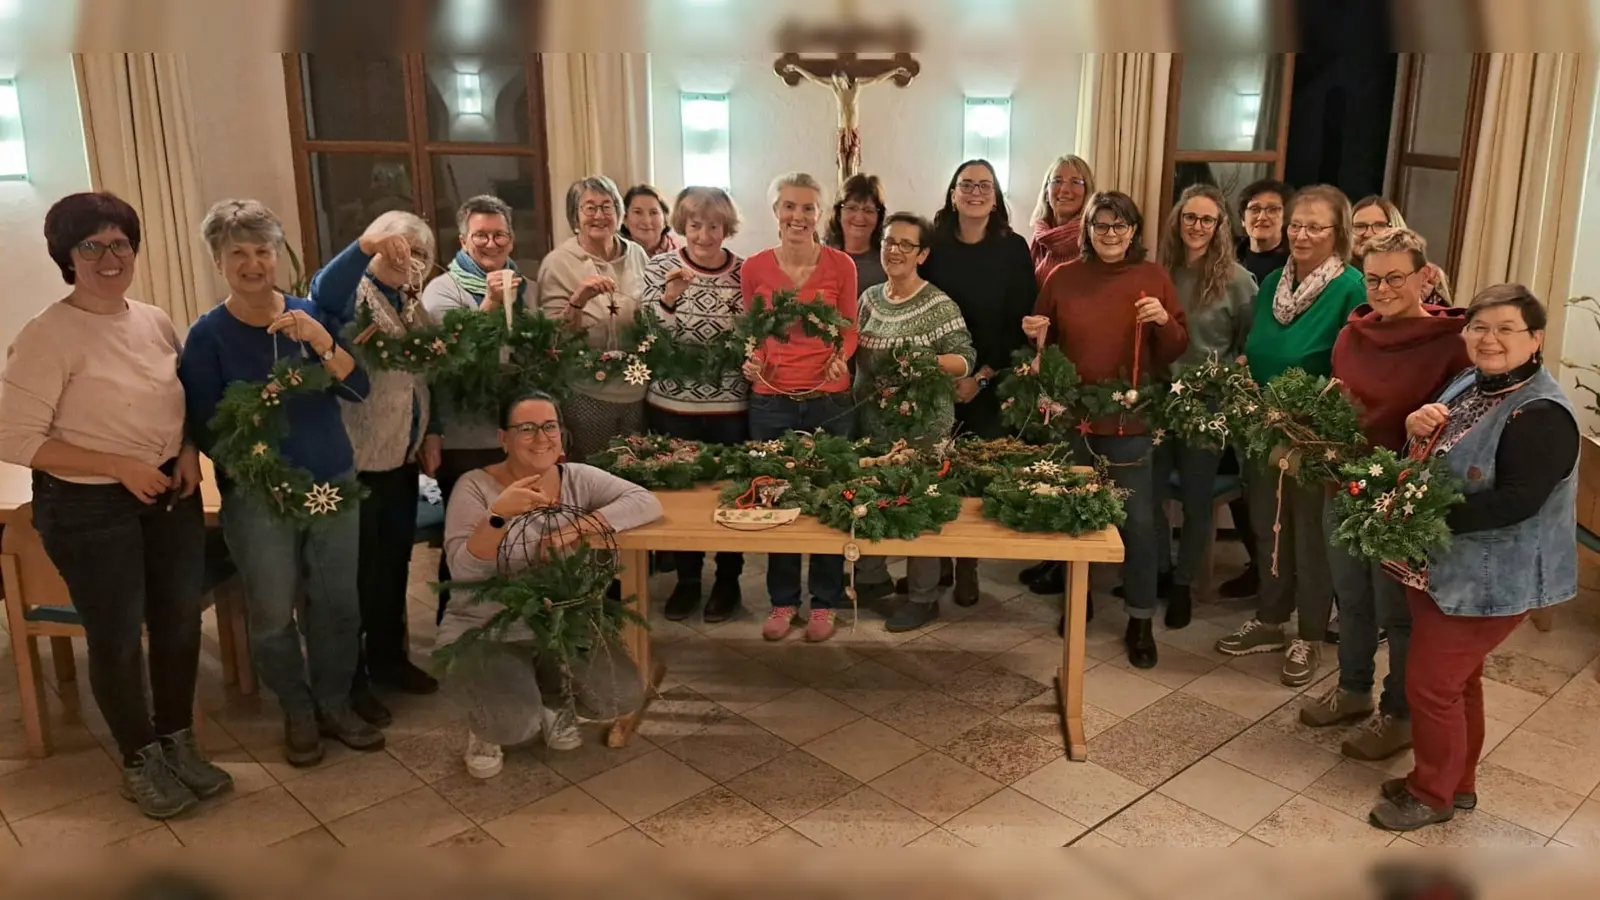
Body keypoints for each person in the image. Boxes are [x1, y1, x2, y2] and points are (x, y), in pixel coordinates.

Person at [0, 192, 229, 819]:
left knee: (181, 622)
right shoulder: (48, 335)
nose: (109, 256)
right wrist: (117, 466)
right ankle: (139, 759)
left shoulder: (153, 320)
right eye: (91, 246)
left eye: (120, 243)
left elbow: (180, 397)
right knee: (118, 637)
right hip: (88, 510)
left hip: (165, 492)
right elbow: (15, 439)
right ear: (66, 257)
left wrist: (185, 450)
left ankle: (177, 740)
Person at [180, 199, 382, 767]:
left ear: (278, 255)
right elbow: (204, 424)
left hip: (332, 482)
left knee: (338, 603)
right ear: (219, 261)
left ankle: (335, 704)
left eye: (262, 250)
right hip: (258, 495)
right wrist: (256, 471)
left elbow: (358, 389)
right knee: (271, 612)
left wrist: (321, 337)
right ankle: (296, 709)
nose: (252, 263)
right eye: (238, 253)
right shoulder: (207, 337)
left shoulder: (309, 312)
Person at [1369, 284, 1577, 832]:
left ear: (1535, 339)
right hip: (1445, 567)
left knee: (1432, 685)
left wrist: (1416, 513)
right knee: (1459, 682)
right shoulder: (1472, 380)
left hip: (1488, 579)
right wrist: (1415, 426)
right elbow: (1440, 445)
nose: (1490, 339)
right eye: (1480, 327)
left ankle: (1431, 792)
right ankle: (1457, 783)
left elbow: (1516, 502)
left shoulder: (1541, 413)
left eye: (1506, 329)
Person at [1298, 227, 1469, 762]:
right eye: (1373, 278)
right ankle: (1352, 690)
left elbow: (1463, 425)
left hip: (1401, 499)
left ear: (1424, 275)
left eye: (1396, 277)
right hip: (1344, 485)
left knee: (1398, 612)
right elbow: (1341, 399)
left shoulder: (1452, 343)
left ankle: (1399, 714)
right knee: (1350, 599)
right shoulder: (1354, 335)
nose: (1384, 288)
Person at [437, 391, 663, 778]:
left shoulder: (577, 479)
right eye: (526, 428)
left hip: (558, 621)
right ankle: (486, 727)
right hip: (489, 625)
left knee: (620, 694)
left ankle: (551, 693)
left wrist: (574, 529)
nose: (541, 437)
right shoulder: (474, 487)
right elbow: (463, 572)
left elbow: (645, 501)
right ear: (502, 438)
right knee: (513, 724)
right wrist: (497, 516)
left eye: (549, 426)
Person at [1023, 190, 1189, 668]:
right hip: (1074, 419)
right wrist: (1034, 330)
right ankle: (1080, 600)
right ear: (1087, 231)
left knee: (1137, 523)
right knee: (1075, 517)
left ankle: (1140, 619)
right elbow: (1044, 340)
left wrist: (1162, 321)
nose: (1110, 234)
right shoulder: (1062, 277)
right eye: (1101, 226)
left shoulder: (1152, 277)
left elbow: (1176, 348)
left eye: (1120, 226)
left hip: (1129, 419)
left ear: (1134, 231)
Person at [1215, 184, 1366, 687]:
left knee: (1309, 537)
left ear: (1338, 234)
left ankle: (1310, 634)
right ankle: (1272, 619)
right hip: (1263, 424)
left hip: (1313, 434)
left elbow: (1354, 368)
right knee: (1266, 524)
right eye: (1296, 225)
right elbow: (1259, 346)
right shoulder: (1275, 282)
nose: (1302, 234)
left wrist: (1311, 412)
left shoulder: (1350, 288)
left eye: (1315, 226)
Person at [309, 210, 442, 725]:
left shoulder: (413, 302)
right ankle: (353, 677)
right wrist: (366, 245)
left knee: (393, 569)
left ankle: (389, 659)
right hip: (356, 461)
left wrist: (433, 432)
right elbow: (322, 292)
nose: (408, 261)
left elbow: (430, 373)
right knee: (357, 578)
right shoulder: (351, 298)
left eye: (419, 254)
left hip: (401, 459)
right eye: (399, 249)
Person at [741, 172, 859, 643]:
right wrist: (750, 359)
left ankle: (825, 604)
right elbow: (752, 328)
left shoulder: (841, 265)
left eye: (808, 208)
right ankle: (782, 600)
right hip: (772, 400)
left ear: (819, 214)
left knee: (830, 501)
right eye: (789, 206)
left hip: (830, 399)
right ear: (775, 212)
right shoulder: (754, 268)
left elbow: (849, 327)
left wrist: (840, 358)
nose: (798, 216)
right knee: (775, 499)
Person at [849, 213, 976, 632]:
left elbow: (964, 360)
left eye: (906, 244)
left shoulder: (939, 305)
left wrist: (930, 362)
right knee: (873, 499)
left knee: (921, 509)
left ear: (922, 254)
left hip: (925, 429)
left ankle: (923, 597)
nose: (895, 250)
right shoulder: (867, 299)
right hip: (874, 427)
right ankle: (872, 578)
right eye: (889, 242)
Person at [920, 159, 1036, 602]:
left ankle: (967, 564)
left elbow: (1018, 323)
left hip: (990, 379)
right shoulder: (934, 247)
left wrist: (982, 379)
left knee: (974, 475)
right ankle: (937, 564)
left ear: (996, 196)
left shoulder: (1013, 248)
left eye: (984, 185)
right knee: (934, 473)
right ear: (952, 194)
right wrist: (940, 374)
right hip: (936, 379)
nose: (974, 191)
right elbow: (919, 308)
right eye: (965, 184)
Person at [421, 194, 531, 625]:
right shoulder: (442, 291)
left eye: (499, 234)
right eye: (481, 235)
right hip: (465, 437)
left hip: (513, 435)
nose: (491, 242)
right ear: (464, 240)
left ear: (512, 238)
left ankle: (511, 624)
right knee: (467, 539)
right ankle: (458, 628)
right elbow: (451, 360)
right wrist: (487, 304)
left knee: (516, 534)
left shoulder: (524, 286)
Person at [641, 186, 748, 624]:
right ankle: (688, 580)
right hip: (671, 406)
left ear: (727, 228)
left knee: (731, 494)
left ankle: (729, 580)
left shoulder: (745, 272)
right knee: (680, 495)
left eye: (714, 226)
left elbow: (756, 335)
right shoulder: (659, 268)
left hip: (731, 408)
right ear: (683, 225)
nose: (704, 235)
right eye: (695, 225)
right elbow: (647, 334)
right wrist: (669, 298)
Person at [1152, 185, 1256, 629]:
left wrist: (1221, 383)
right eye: (1190, 218)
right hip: (1157, 399)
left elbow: (1247, 349)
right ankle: (1157, 572)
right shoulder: (1160, 272)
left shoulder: (1237, 280)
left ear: (1219, 228)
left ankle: (1183, 585)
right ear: (1177, 221)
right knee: (1150, 494)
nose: (1197, 227)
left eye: (1207, 220)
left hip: (1206, 405)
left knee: (1196, 500)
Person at [538, 175, 651, 461]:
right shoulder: (558, 263)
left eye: (607, 206)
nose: (599, 215)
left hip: (637, 390)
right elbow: (552, 338)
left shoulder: (637, 254)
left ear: (618, 213)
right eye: (589, 208)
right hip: (586, 392)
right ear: (575, 216)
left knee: (635, 473)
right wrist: (578, 301)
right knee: (594, 474)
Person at [1351, 196, 1453, 306]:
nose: (1369, 233)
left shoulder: (1429, 276)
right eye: (1359, 226)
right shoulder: (1339, 274)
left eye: (1379, 225)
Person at [1029, 154, 1096, 286]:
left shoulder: (1096, 237)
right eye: (1057, 181)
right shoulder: (1040, 239)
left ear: (1087, 192)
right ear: (1046, 194)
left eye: (1076, 182)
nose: (1064, 189)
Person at [823, 173, 888, 293]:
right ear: (838, 213)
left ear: (879, 217)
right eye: (851, 208)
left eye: (868, 210)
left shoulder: (887, 262)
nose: (859, 217)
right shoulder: (819, 255)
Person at [1236, 178, 1293, 286]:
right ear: (1243, 219)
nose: (1262, 217)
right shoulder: (1227, 260)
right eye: (1254, 209)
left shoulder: (1295, 264)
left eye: (1272, 209)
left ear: (1286, 218)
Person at [620, 184, 682, 258]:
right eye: (638, 212)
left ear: (665, 220)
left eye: (654, 212)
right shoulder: (615, 253)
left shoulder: (680, 254)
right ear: (625, 219)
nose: (646, 221)